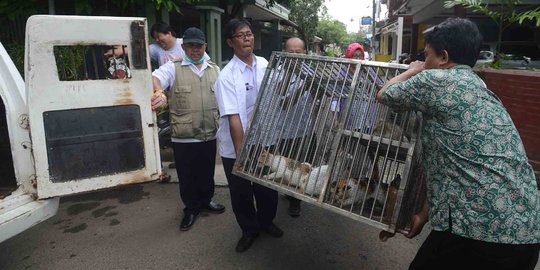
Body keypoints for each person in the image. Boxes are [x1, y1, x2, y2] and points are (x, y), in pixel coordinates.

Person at [376, 17, 540, 270]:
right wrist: (425, 214)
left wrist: (413, 70)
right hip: (524, 232)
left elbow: (384, 94)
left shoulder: (436, 80)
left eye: (426, 56)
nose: (423, 61)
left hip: (481, 230)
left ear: (443, 57)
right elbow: (455, 166)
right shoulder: (481, 87)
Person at [214, 18, 283, 253]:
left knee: (267, 186)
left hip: (264, 139)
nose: (247, 38)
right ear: (230, 42)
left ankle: (266, 222)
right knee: (241, 192)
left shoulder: (265, 64)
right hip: (236, 144)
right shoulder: (227, 76)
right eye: (240, 35)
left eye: (249, 33)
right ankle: (249, 230)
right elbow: (234, 118)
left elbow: (278, 94)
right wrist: (241, 155)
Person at [151, 27, 225, 231]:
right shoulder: (173, 68)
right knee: (187, 176)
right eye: (191, 46)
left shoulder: (215, 69)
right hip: (183, 136)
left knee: (206, 172)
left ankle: (206, 201)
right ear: (184, 47)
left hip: (209, 133)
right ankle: (191, 209)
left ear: (205, 47)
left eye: (199, 46)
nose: (195, 50)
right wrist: (158, 91)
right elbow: (155, 77)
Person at [278, 37, 317, 217]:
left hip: (306, 130)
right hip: (285, 132)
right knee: (288, 167)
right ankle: (290, 193)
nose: (294, 56)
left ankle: (296, 201)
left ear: (305, 54)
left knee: (304, 168)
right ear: (284, 52)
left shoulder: (313, 73)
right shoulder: (277, 73)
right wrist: (304, 87)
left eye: (298, 52)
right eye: (290, 52)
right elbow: (283, 103)